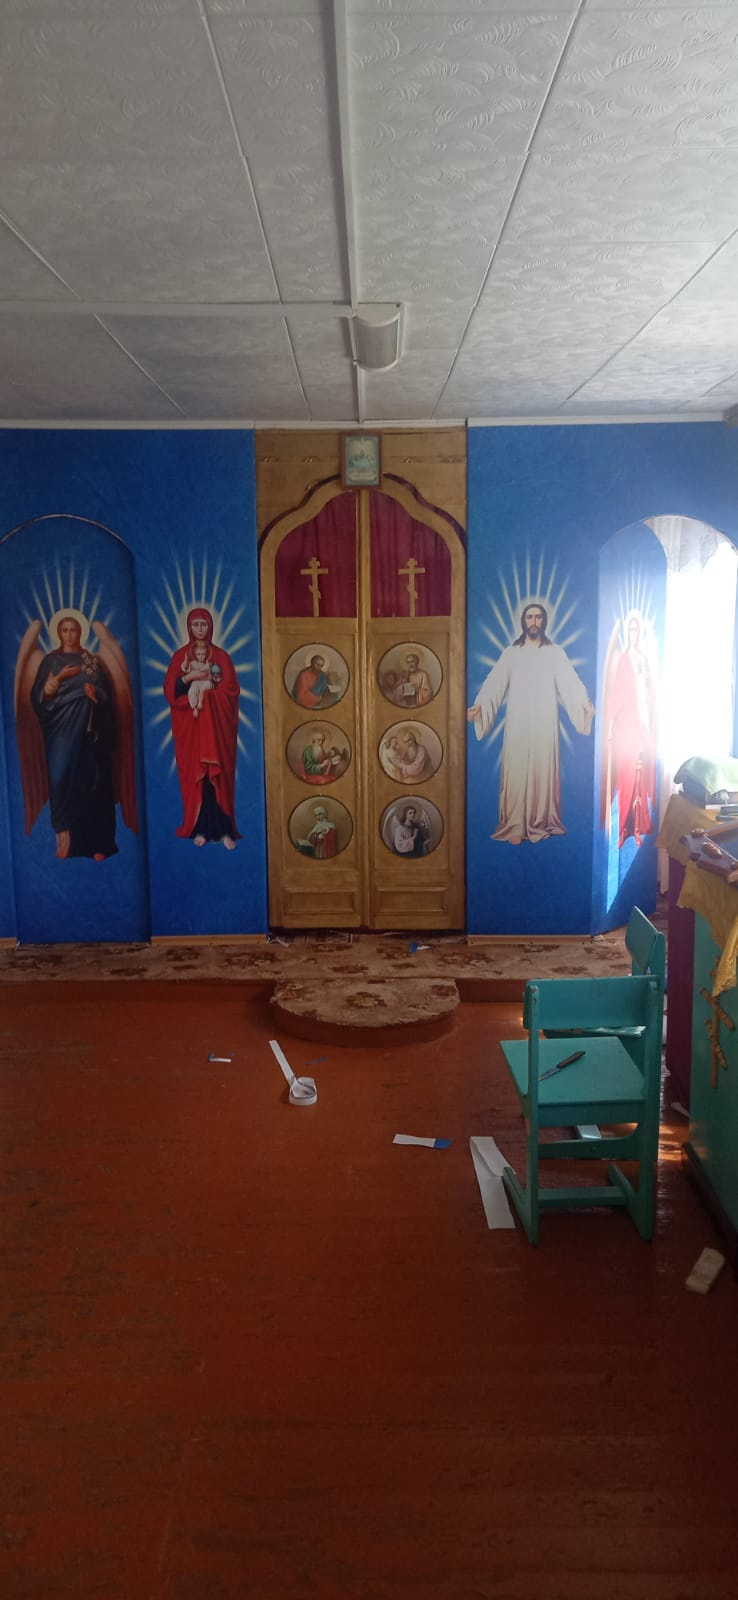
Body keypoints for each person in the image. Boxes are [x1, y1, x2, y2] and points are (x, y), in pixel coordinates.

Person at [467, 601, 595, 844]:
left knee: (542, 767)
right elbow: (494, 682)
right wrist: (480, 705)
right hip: (518, 719)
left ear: (544, 621)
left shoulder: (554, 653)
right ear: (523, 621)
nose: (534, 622)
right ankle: (515, 823)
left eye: (538, 617)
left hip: (544, 720)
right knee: (517, 767)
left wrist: (583, 703)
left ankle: (543, 820)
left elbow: (570, 682)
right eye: (529, 617)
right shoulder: (512, 653)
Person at [28, 616, 119, 860]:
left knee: (93, 783)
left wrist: (95, 692)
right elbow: (39, 698)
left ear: (81, 632)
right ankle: (67, 842)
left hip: (89, 733)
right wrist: (56, 680)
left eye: (73, 630)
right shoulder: (50, 661)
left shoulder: (91, 661)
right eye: (65, 630)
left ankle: (99, 844)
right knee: (60, 780)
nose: (69, 635)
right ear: (59, 633)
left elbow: (107, 697)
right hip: (60, 733)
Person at [163, 606, 240, 848]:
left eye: (203, 624)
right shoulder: (181, 657)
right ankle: (200, 830)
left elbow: (230, 690)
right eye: (195, 624)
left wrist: (210, 694)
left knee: (218, 778)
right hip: (193, 731)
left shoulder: (221, 657)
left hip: (215, 731)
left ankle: (224, 831)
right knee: (199, 779)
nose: (199, 629)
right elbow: (171, 691)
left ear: (210, 626)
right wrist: (189, 679)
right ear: (189, 627)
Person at [602, 610, 657, 848]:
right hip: (627, 724)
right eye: (630, 630)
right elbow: (616, 695)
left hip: (642, 721)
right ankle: (623, 828)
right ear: (627, 632)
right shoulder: (623, 660)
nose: (633, 634)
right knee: (626, 777)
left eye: (636, 630)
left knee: (639, 775)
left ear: (639, 633)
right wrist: (611, 724)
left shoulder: (643, 660)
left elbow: (649, 693)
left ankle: (637, 828)